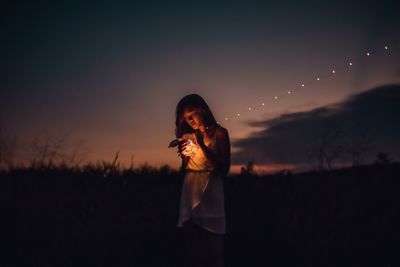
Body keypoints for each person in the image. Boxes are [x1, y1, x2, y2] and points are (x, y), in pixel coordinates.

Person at [174, 94, 230, 267]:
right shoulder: (188, 136)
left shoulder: (220, 133)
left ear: (203, 109)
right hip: (190, 192)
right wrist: (184, 155)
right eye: (185, 119)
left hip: (211, 192)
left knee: (214, 256)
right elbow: (185, 169)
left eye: (192, 115)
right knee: (194, 256)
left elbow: (223, 169)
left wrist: (202, 145)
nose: (190, 121)